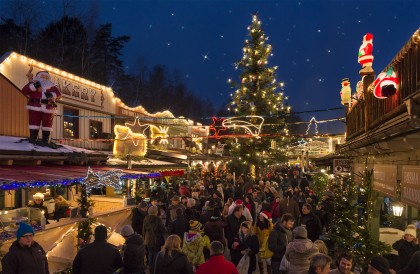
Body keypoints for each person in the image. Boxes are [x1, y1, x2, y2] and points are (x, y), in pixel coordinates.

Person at [22, 70, 61, 147]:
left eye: (46, 77)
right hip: (35, 106)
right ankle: (33, 138)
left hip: (48, 108)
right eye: (42, 76)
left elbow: (59, 94)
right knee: (34, 122)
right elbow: (24, 91)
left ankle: (45, 140)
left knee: (47, 124)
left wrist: (52, 95)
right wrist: (34, 87)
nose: (44, 78)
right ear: (38, 77)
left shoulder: (52, 86)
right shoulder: (33, 83)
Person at [143, 205, 167, 274]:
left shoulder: (146, 218)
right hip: (156, 239)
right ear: (155, 211)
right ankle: (155, 267)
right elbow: (162, 229)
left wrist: (144, 238)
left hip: (148, 239)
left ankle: (150, 267)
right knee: (156, 253)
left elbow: (143, 230)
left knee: (150, 253)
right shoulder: (158, 219)